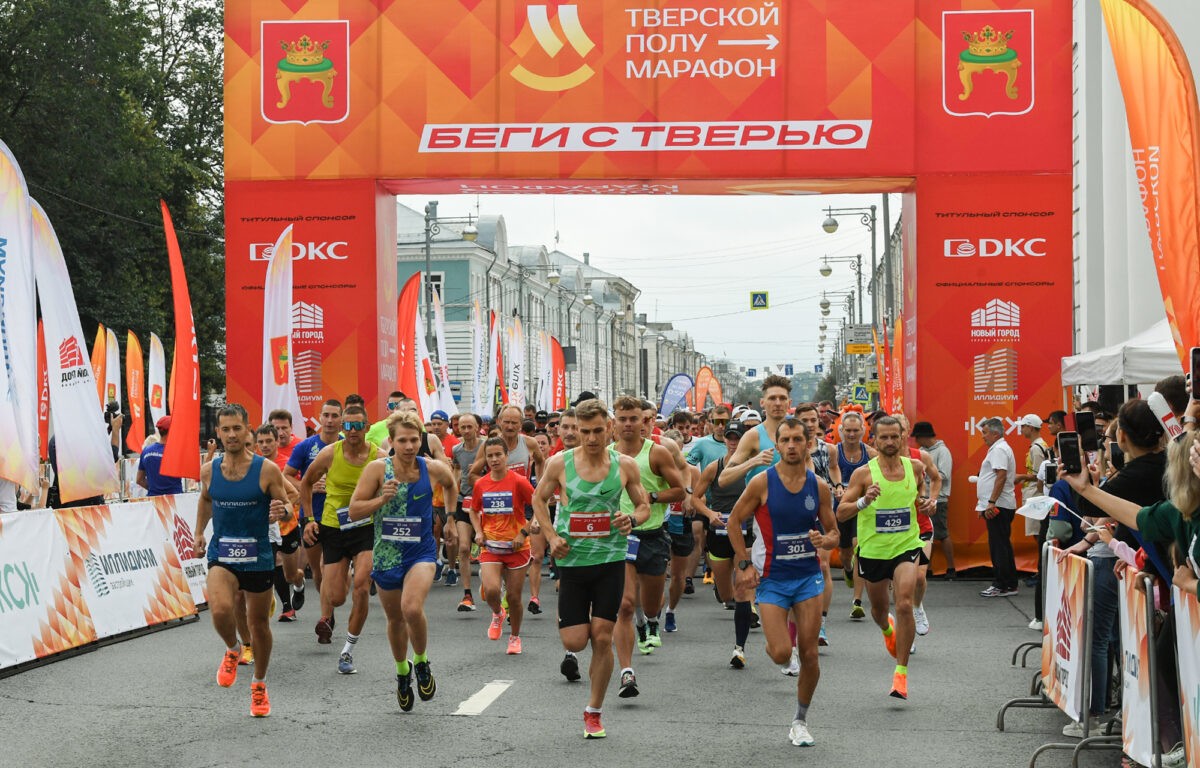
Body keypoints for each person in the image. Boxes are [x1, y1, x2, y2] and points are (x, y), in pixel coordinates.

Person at [531, 398, 650, 739]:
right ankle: (570, 621)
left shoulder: (624, 465)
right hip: (572, 561)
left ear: (609, 428)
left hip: (611, 560)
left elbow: (642, 505)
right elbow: (539, 499)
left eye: (599, 430)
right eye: (585, 432)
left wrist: (632, 519)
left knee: (602, 636)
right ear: (576, 431)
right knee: (576, 640)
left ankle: (594, 712)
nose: (593, 438)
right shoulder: (560, 463)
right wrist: (552, 537)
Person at [1057, 399, 1166, 737]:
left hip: (1173, 584)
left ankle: (1156, 736)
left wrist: (1087, 487)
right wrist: (1138, 558)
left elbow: (1109, 510)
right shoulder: (1160, 466)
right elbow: (1135, 520)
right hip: (1154, 574)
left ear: (1121, 436)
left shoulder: (1146, 472)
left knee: (1154, 662)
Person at [726, 417, 839, 746]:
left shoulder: (817, 486)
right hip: (773, 580)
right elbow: (734, 522)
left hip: (807, 578)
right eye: (785, 440)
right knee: (779, 653)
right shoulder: (762, 483)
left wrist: (826, 542)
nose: (791, 446)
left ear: (807, 444)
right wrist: (744, 563)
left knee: (810, 654)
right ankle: (779, 648)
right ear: (776, 446)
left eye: (797, 440)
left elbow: (833, 532)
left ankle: (800, 720)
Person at [347, 410, 457, 710]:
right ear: (391, 442)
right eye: (402, 441)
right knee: (395, 619)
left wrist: (448, 518)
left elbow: (450, 483)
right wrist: (381, 499)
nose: (409, 446)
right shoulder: (376, 470)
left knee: (411, 608)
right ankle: (402, 671)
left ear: (420, 439)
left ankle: (421, 661)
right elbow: (354, 510)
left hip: (420, 552)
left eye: (414, 440)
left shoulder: (431, 468)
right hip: (386, 553)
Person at [192, 403, 293, 718]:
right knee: (220, 609)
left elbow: (288, 504)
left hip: (258, 556)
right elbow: (206, 499)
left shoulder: (266, 470)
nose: (232, 434)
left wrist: (282, 511)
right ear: (218, 433)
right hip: (222, 553)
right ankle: (234, 649)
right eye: (226, 429)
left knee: (259, 624)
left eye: (238, 428)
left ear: (248, 429)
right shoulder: (209, 470)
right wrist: (198, 533)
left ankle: (259, 685)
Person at [838, 416, 937, 700]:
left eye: (895, 437)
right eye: (884, 438)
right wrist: (864, 501)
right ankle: (886, 628)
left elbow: (915, 500)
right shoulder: (863, 475)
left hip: (905, 546)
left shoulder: (916, 468)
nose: (890, 442)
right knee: (880, 612)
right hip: (872, 551)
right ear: (875, 440)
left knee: (904, 602)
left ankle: (901, 674)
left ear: (903, 437)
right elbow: (841, 513)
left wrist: (926, 505)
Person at [299, 403, 385, 672]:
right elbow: (306, 482)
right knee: (336, 597)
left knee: (362, 585)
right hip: (334, 527)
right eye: (347, 425)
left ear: (367, 428)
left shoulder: (379, 457)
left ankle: (348, 649)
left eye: (358, 425)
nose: (352, 430)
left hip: (366, 527)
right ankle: (336, 599)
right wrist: (310, 519)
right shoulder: (329, 453)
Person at [612, 396, 685, 696]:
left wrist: (652, 498)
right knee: (626, 603)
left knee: (652, 601)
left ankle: (651, 619)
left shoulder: (656, 453)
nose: (629, 424)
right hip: (619, 537)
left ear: (644, 422)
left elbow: (680, 489)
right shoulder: (605, 455)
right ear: (614, 422)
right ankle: (627, 671)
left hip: (652, 534)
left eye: (635, 419)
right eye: (623, 419)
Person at [692, 418, 763, 668]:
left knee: (744, 582)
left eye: (738, 438)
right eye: (730, 438)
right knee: (727, 594)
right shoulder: (715, 467)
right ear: (724, 440)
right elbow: (695, 499)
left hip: (747, 531)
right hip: (718, 530)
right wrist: (710, 514)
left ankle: (742, 636)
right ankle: (730, 595)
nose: (733, 442)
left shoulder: (756, 467)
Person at [469, 436, 537, 654]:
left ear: (507, 456)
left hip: (517, 547)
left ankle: (515, 637)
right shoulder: (481, 483)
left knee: (514, 597)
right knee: (491, 590)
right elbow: (472, 510)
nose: (495, 459)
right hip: (491, 546)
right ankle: (498, 613)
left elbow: (538, 507)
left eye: (499, 454)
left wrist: (523, 532)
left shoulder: (518, 481)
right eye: (490, 456)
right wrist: (478, 532)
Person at [285, 399, 342, 599]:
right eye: (326, 415)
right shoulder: (306, 447)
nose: (330, 420)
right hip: (311, 514)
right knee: (317, 569)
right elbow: (287, 475)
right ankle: (327, 609)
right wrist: (308, 486)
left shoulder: (349, 445)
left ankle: (327, 613)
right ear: (319, 417)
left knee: (328, 565)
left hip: (339, 515)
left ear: (341, 419)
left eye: (335, 416)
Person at [255, 424, 305, 621]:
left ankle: (299, 586)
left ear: (277, 442)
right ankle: (287, 608)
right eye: (261, 442)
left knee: (291, 574)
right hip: (269, 529)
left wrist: (282, 509)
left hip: (289, 525)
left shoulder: (282, 465)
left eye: (269, 441)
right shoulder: (256, 466)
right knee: (275, 562)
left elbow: (295, 494)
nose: (265, 445)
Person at [834, 411, 876, 617]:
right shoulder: (835, 451)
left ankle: (857, 601)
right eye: (847, 430)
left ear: (863, 431)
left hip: (863, 507)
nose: (851, 434)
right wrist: (835, 487)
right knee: (845, 554)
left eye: (855, 430)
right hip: (840, 508)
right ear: (841, 431)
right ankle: (848, 570)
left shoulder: (870, 454)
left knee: (858, 547)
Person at [976, 418, 1018, 597]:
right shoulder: (999, 448)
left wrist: (991, 502)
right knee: (1002, 544)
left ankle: (1001, 584)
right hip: (998, 503)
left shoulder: (999, 449)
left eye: (985, 433)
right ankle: (1009, 583)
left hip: (998, 505)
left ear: (995, 433)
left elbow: (1001, 476)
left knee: (998, 545)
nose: (983, 437)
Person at [912, 421, 955, 578]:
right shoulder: (922, 452)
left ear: (924, 437)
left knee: (942, 534)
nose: (916, 441)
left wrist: (926, 474)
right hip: (923, 499)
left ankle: (951, 567)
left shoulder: (943, 451)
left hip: (939, 498)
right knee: (926, 534)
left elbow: (944, 475)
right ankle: (927, 567)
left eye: (917, 437)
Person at [449, 412, 483, 607]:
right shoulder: (456, 449)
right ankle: (467, 594)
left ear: (477, 428)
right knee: (463, 548)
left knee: (488, 549)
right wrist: (454, 489)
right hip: (464, 501)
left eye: (470, 427)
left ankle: (489, 582)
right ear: (458, 429)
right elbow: (456, 469)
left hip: (483, 503)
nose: (467, 431)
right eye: (463, 427)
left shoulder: (486, 445)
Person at [136, 416, 183, 496]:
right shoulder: (177, 452)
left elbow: (139, 480)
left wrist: (154, 489)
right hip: (175, 500)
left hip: (154, 499)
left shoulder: (146, 451)